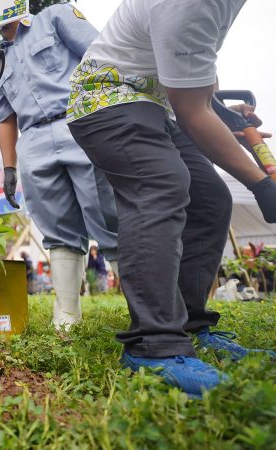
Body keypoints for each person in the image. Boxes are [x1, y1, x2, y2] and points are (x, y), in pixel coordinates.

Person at [67, 0, 276, 397]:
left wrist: (223, 117)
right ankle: (154, 344)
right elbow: (193, 112)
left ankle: (191, 325)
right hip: (104, 97)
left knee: (210, 199)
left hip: (157, 104)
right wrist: (263, 186)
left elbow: (197, 85)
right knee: (160, 182)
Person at [0, 4, 118, 331]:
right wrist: (9, 167)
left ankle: (145, 309)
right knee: (57, 229)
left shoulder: (55, 17)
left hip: (79, 121)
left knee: (110, 217)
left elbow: (101, 59)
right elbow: (5, 116)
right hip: (33, 139)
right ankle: (67, 317)